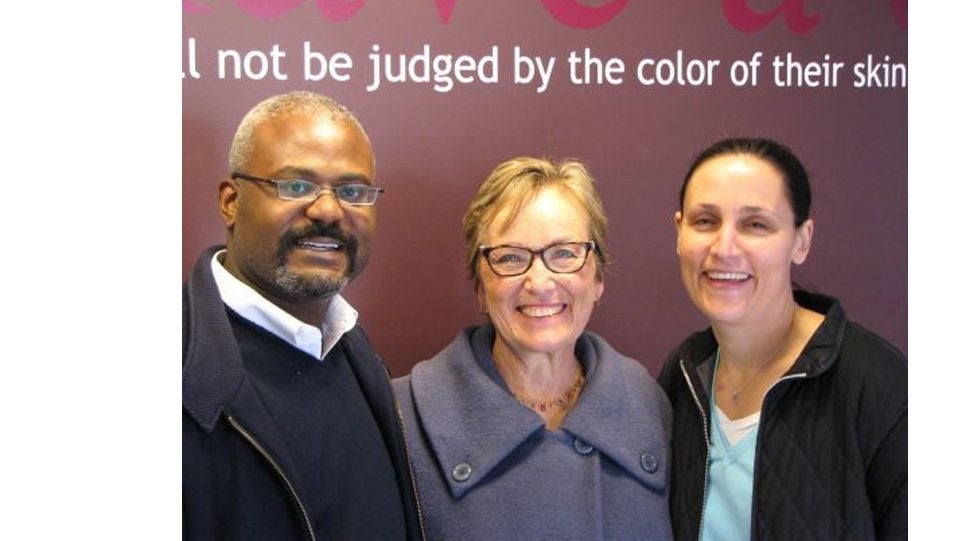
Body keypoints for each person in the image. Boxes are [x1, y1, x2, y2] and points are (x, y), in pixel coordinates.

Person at [182, 91, 423, 540]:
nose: (328, 210)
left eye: (352, 191)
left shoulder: (358, 359)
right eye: (296, 186)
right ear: (231, 201)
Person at [392, 157, 673, 539]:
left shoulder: (653, 407)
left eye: (564, 254)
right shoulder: (401, 418)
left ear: (598, 278)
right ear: (480, 286)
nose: (539, 282)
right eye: (510, 257)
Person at [658, 137, 907, 540]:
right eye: (705, 221)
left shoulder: (877, 385)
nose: (724, 248)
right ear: (678, 231)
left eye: (756, 224)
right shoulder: (683, 374)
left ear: (801, 240)